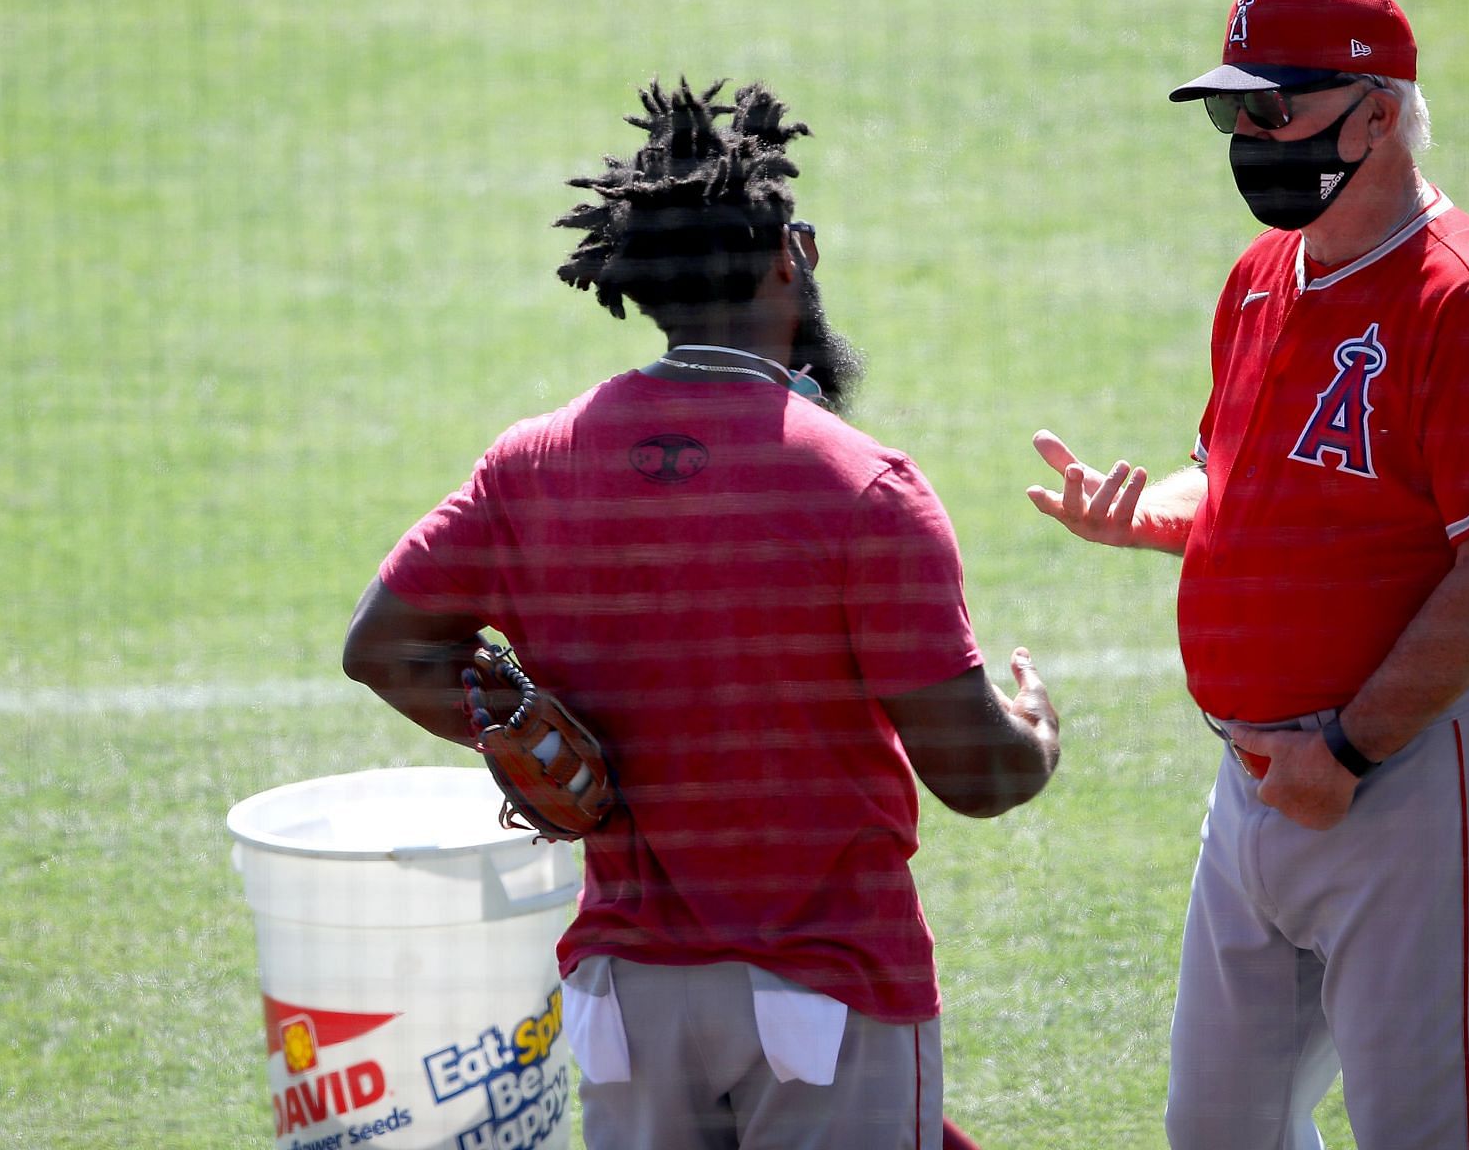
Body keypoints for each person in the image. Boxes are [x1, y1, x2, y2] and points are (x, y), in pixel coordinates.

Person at [343, 77, 1056, 1150]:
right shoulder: (863, 488)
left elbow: (384, 648)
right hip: (827, 987)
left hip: (629, 1006)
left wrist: (506, 721)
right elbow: (976, 774)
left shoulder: (532, 464)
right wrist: (1036, 731)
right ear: (791, 257)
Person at [1028, 0, 1469, 1150]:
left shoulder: (1467, 302)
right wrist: (1143, 511)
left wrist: (1349, 746)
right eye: (1235, 113)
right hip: (1256, 783)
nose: (1251, 136)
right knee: (1218, 1125)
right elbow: (1228, 469)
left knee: (1431, 1131)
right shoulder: (1266, 275)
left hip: (1407, 779)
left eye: (1275, 108)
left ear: (1377, 112)